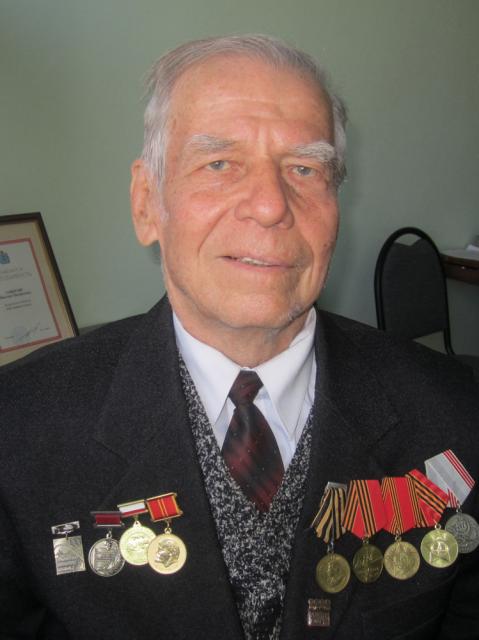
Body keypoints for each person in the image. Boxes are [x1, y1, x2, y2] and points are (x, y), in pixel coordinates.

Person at [0, 34, 478, 640]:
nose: (271, 205)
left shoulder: (455, 413)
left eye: (305, 169)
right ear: (146, 203)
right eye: (219, 164)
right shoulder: (19, 429)